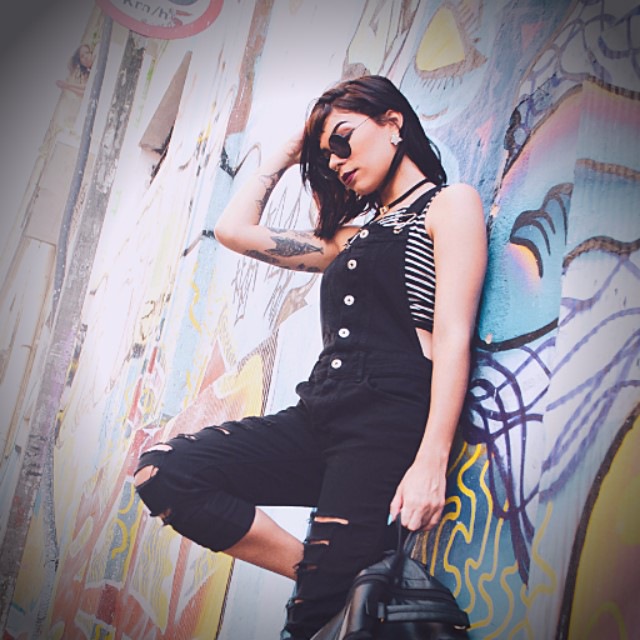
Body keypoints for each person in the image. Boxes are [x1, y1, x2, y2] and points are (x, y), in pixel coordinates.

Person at [134, 75, 487, 639]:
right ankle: (334, 579)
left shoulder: (449, 204)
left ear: (393, 123)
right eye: (325, 154)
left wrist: (430, 461)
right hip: (317, 416)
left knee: (309, 623)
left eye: (342, 139)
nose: (336, 160)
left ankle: (332, 584)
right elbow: (233, 230)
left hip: (382, 425)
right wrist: (290, 150)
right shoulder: (352, 238)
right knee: (165, 472)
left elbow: (452, 337)